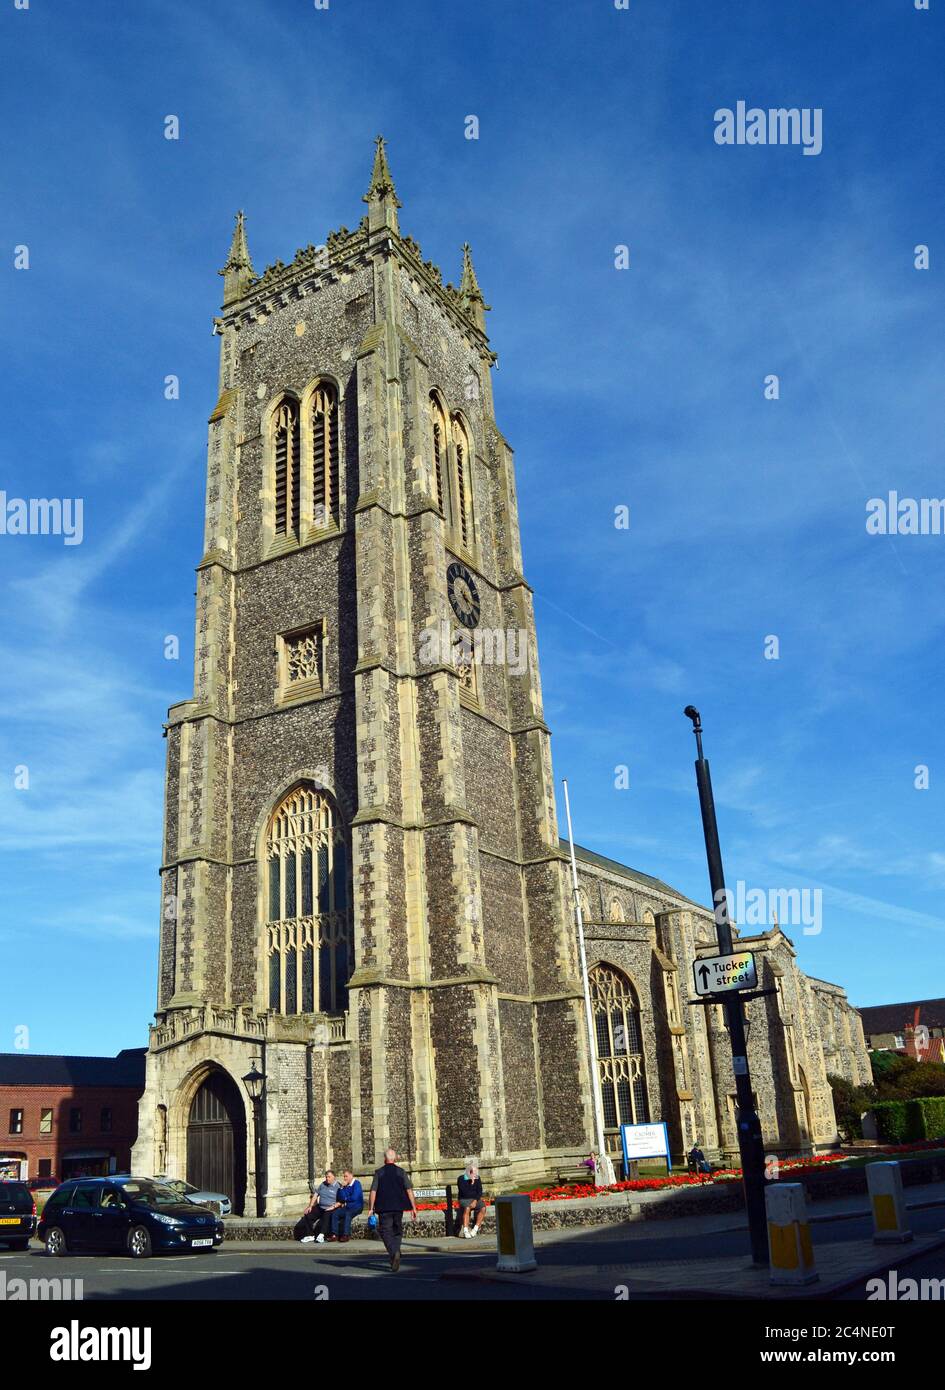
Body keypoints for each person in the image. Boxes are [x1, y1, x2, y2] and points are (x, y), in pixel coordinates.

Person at [368, 1146, 418, 1272]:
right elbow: (409, 1190)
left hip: (384, 1207)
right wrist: (414, 1207)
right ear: (394, 1159)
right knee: (397, 1230)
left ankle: (393, 1252)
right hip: (398, 1207)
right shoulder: (401, 1172)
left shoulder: (379, 1172)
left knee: (385, 1231)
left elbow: (373, 1191)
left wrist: (371, 1207)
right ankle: (396, 1251)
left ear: (385, 1159)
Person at [300, 1169, 342, 1243]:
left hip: (331, 1208)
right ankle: (310, 1235)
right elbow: (316, 1195)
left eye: (329, 1177)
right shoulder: (322, 1184)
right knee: (308, 1214)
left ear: (333, 1177)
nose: (327, 1179)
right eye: (326, 1177)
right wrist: (310, 1206)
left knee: (326, 1216)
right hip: (320, 1207)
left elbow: (341, 1200)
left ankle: (321, 1235)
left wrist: (334, 1206)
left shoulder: (338, 1186)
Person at [330, 1169, 364, 1242]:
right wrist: (342, 1187)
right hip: (347, 1207)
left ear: (351, 1176)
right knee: (335, 1213)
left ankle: (346, 1235)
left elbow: (355, 1197)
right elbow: (341, 1197)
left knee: (348, 1215)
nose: (345, 1178)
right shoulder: (345, 1186)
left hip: (356, 1207)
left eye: (346, 1176)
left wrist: (345, 1199)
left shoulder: (357, 1184)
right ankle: (334, 1235)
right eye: (344, 1176)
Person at [456, 1161, 486, 1237]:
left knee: (483, 1208)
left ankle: (475, 1229)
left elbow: (479, 1191)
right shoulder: (461, 1179)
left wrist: (475, 1200)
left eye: (476, 1172)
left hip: (475, 1199)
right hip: (464, 1199)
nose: (475, 1174)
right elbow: (464, 1193)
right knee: (467, 1208)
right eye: (473, 1172)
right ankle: (465, 1230)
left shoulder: (477, 1178)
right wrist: (471, 1183)